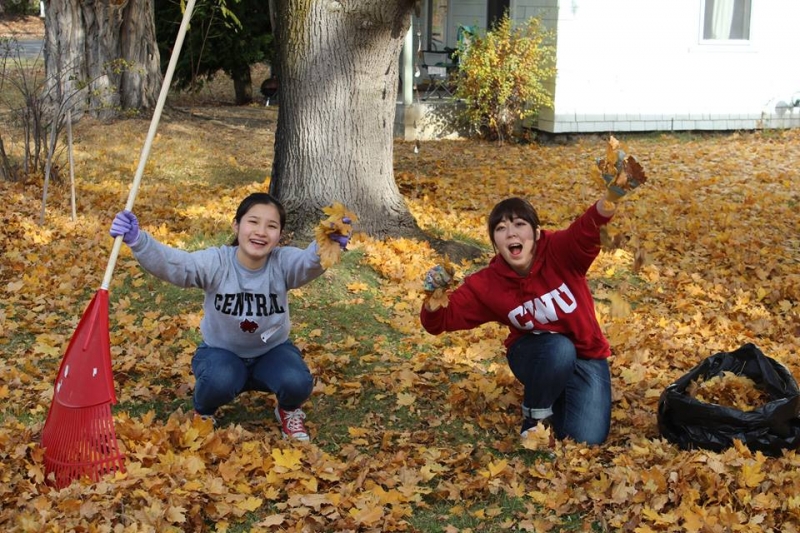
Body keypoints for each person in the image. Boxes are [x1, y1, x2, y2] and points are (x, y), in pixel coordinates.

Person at [420, 151, 645, 445]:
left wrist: (609, 200)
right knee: (559, 349)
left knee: (586, 439)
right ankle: (535, 416)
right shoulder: (487, 283)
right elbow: (440, 322)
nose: (511, 233)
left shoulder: (560, 251)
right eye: (501, 229)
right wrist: (433, 295)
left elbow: (586, 229)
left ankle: (559, 393)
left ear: (536, 233)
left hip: (587, 356)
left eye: (519, 225)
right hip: (535, 355)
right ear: (496, 244)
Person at [109, 192, 351, 441]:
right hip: (221, 354)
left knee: (297, 382)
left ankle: (288, 410)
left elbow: (306, 263)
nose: (261, 232)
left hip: (271, 353)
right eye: (253, 222)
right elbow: (178, 265)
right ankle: (204, 412)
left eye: (271, 226)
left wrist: (325, 244)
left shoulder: (282, 262)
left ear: (279, 235)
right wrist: (139, 241)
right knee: (219, 380)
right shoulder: (217, 262)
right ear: (236, 225)